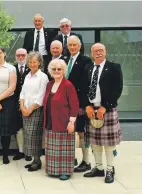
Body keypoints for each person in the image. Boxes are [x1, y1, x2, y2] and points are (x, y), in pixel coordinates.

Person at [81, 43, 123, 184]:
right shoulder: (88, 68)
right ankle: (98, 168)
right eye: (95, 51)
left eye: (101, 50)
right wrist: (87, 106)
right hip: (92, 108)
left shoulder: (114, 67)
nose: (98, 53)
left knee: (108, 143)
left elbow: (118, 89)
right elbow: (83, 88)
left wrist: (105, 107)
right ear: (92, 53)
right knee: (95, 142)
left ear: (105, 52)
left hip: (107, 109)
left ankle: (110, 169)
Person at [43, 59, 79, 180]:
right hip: (50, 121)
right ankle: (52, 170)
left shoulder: (68, 85)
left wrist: (71, 122)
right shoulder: (49, 84)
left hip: (64, 122)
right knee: (53, 148)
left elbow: (75, 105)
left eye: (59, 69)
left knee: (64, 149)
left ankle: (66, 171)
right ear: (50, 71)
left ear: (64, 71)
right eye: (54, 69)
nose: (57, 71)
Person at [64, 35, 93, 173]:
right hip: (66, 103)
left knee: (81, 132)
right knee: (70, 132)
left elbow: (86, 85)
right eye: (70, 45)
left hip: (79, 103)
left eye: (74, 45)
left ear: (79, 46)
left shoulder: (86, 61)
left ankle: (86, 161)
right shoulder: (65, 60)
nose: (72, 47)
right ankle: (72, 158)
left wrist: (83, 105)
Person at [19, 52, 49, 171]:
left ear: (39, 62)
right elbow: (23, 92)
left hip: (36, 110)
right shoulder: (27, 76)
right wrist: (22, 107)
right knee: (27, 135)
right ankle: (34, 160)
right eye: (30, 62)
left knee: (34, 135)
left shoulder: (43, 77)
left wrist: (30, 109)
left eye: (34, 62)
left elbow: (41, 96)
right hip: (25, 110)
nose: (32, 64)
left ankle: (37, 161)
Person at [12, 48, 32, 161]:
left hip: (28, 103)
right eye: (18, 55)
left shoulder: (31, 68)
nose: (20, 57)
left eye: (23, 55)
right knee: (18, 128)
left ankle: (28, 152)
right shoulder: (12, 68)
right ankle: (20, 151)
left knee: (28, 128)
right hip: (15, 103)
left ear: (27, 55)